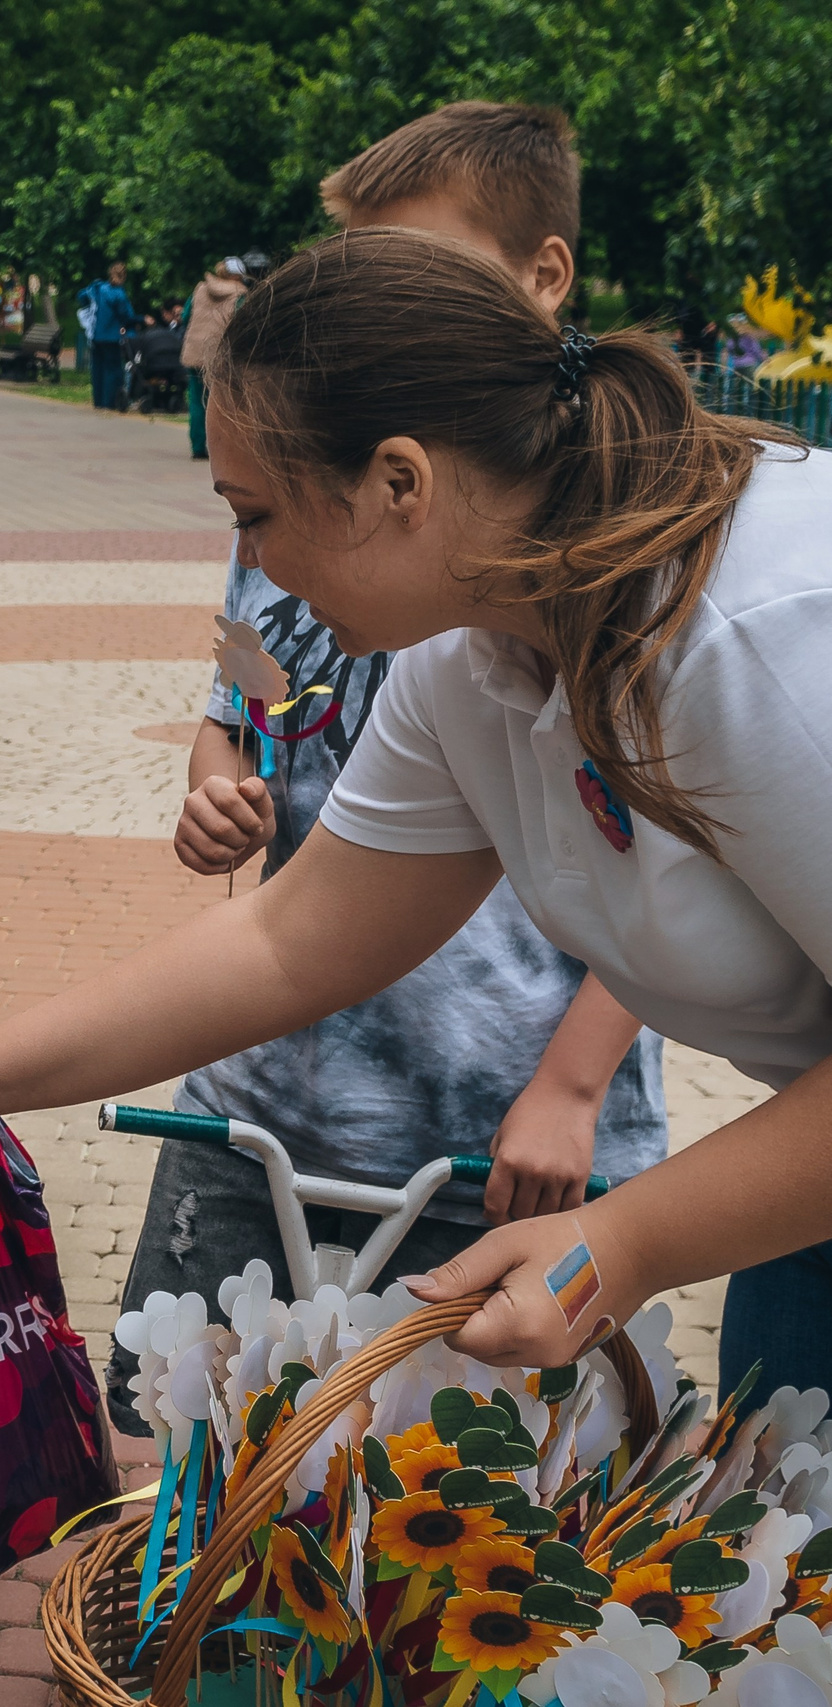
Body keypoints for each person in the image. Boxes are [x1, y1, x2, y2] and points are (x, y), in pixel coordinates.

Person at [0, 223, 832, 1390]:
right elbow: (292, 940)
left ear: (399, 483)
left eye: (256, 515)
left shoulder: (756, 639)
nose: (253, 562)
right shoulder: (469, 661)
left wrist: (629, 1239)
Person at [103, 104, 668, 1430]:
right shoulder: (305, 477)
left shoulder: (594, 595)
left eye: (407, 276)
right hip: (277, 1095)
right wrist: (215, 776)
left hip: (501, 1123)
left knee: (465, 1507)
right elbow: (246, 700)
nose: (354, 325)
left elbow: (671, 883)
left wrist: (577, 1080)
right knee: (224, 1468)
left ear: (540, 281)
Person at [182, 255, 251, 461]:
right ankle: (220, 448)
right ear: (239, 275)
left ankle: (197, 447)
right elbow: (242, 324)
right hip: (220, 355)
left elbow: (186, 316)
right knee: (221, 402)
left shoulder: (200, 289)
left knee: (196, 401)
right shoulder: (240, 293)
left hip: (195, 352)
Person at [82, 260, 135, 409]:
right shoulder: (119, 294)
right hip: (112, 336)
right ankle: (109, 402)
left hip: (95, 335)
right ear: (123, 276)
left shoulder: (98, 288)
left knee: (97, 368)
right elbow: (127, 316)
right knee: (112, 370)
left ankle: (98, 401)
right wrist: (142, 319)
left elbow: (82, 297)